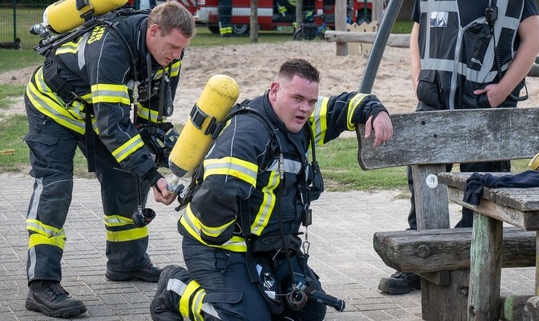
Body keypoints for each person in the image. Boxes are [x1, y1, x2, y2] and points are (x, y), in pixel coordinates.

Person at [150, 58, 394, 321]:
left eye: (311, 101)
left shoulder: (300, 120)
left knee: (308, 311)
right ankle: (175, 288)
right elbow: (215, 198)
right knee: (245, 317)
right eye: (297, 98)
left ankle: (255, 296)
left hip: (270, 246)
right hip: (219, 246)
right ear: (275, 90)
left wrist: (374, 110)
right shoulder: (248, 135)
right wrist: (229, 255)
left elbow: (342, 107)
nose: (305, 108)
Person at [377, 0, 539, 295]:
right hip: (433, 102)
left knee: (481, 188)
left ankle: (472, 263)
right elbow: (418, 31)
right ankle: (419, 260)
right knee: (424, 182)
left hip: (485, 107)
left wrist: (502, 90)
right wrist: (418, 74)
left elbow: (533, 39)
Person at [23, 1, 196, 318]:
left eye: (181, 49)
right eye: (172, 47)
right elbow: (112, 126)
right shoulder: (112, 46)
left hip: (94, 113)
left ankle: (126, 262)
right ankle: (42, 284)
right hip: (53, 107)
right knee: (55, 187)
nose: (176, 55)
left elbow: (151, 122)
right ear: (154, 31)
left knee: (126, 173)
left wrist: (160, 163)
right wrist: (153, 176)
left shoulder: (170, 53)